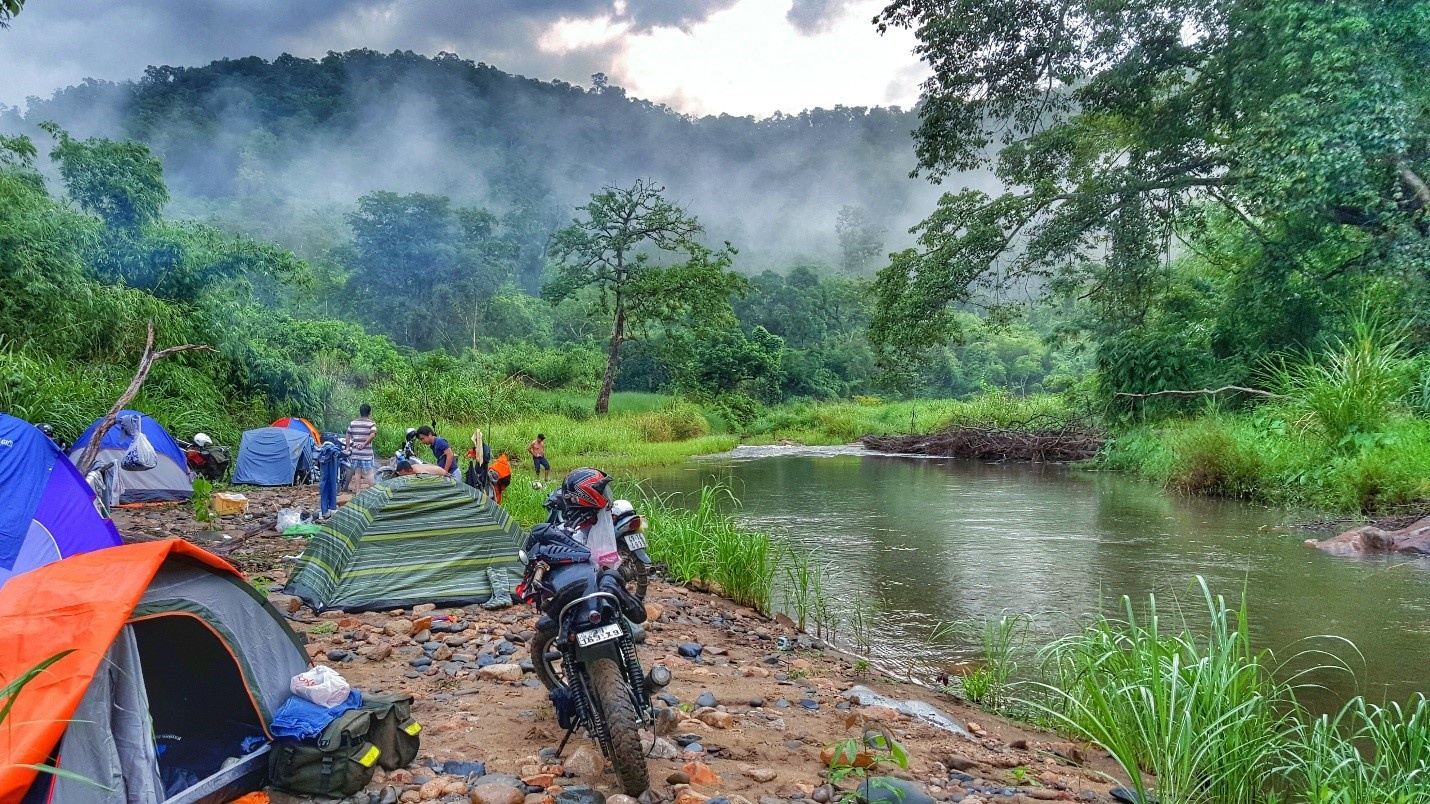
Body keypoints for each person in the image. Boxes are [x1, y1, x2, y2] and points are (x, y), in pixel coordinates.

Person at [345, 404, 377, 493]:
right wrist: (364, 444)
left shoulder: (353, 423)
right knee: (369, 472)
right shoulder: (371, 423)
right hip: (366, 454)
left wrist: (348, 447)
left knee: (357, 472)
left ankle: (358, 491)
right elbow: (372, 434)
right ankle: (373, 491)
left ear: (360, 412)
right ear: (369, 413)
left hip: (355, 452)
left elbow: (347, 434)